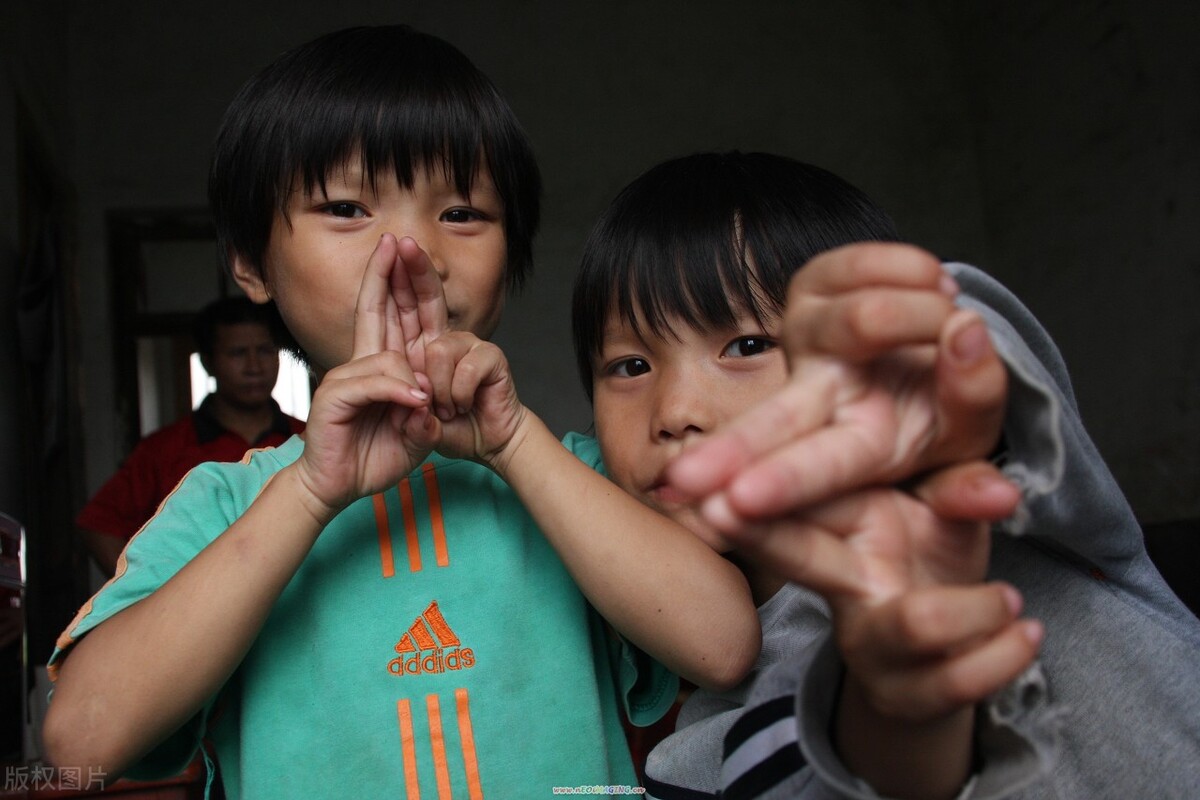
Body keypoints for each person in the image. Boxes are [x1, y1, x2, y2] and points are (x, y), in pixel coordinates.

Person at [42, 27, 758, 798]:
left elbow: (723, 648)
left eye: (463, 213)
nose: (414, 252)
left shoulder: (574, 478)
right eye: (347, 207)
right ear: (250, 262)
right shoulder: (225, 507)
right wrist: (308, 494)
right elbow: (83, 739)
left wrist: (516, 444)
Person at [572, 152, 1200, 798]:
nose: (675, 412)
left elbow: (988, 378)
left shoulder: (1012, 515)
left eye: (748, 345)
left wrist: (925, 382)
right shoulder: (690, 761)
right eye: (629, 366)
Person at [76, 296, 305, 576]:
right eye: (237, 353)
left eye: (266, 350)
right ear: (208, 362)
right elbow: (97, 526)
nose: (254, 367)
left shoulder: (307, 438)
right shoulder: (163, 449)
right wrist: (148, 592)